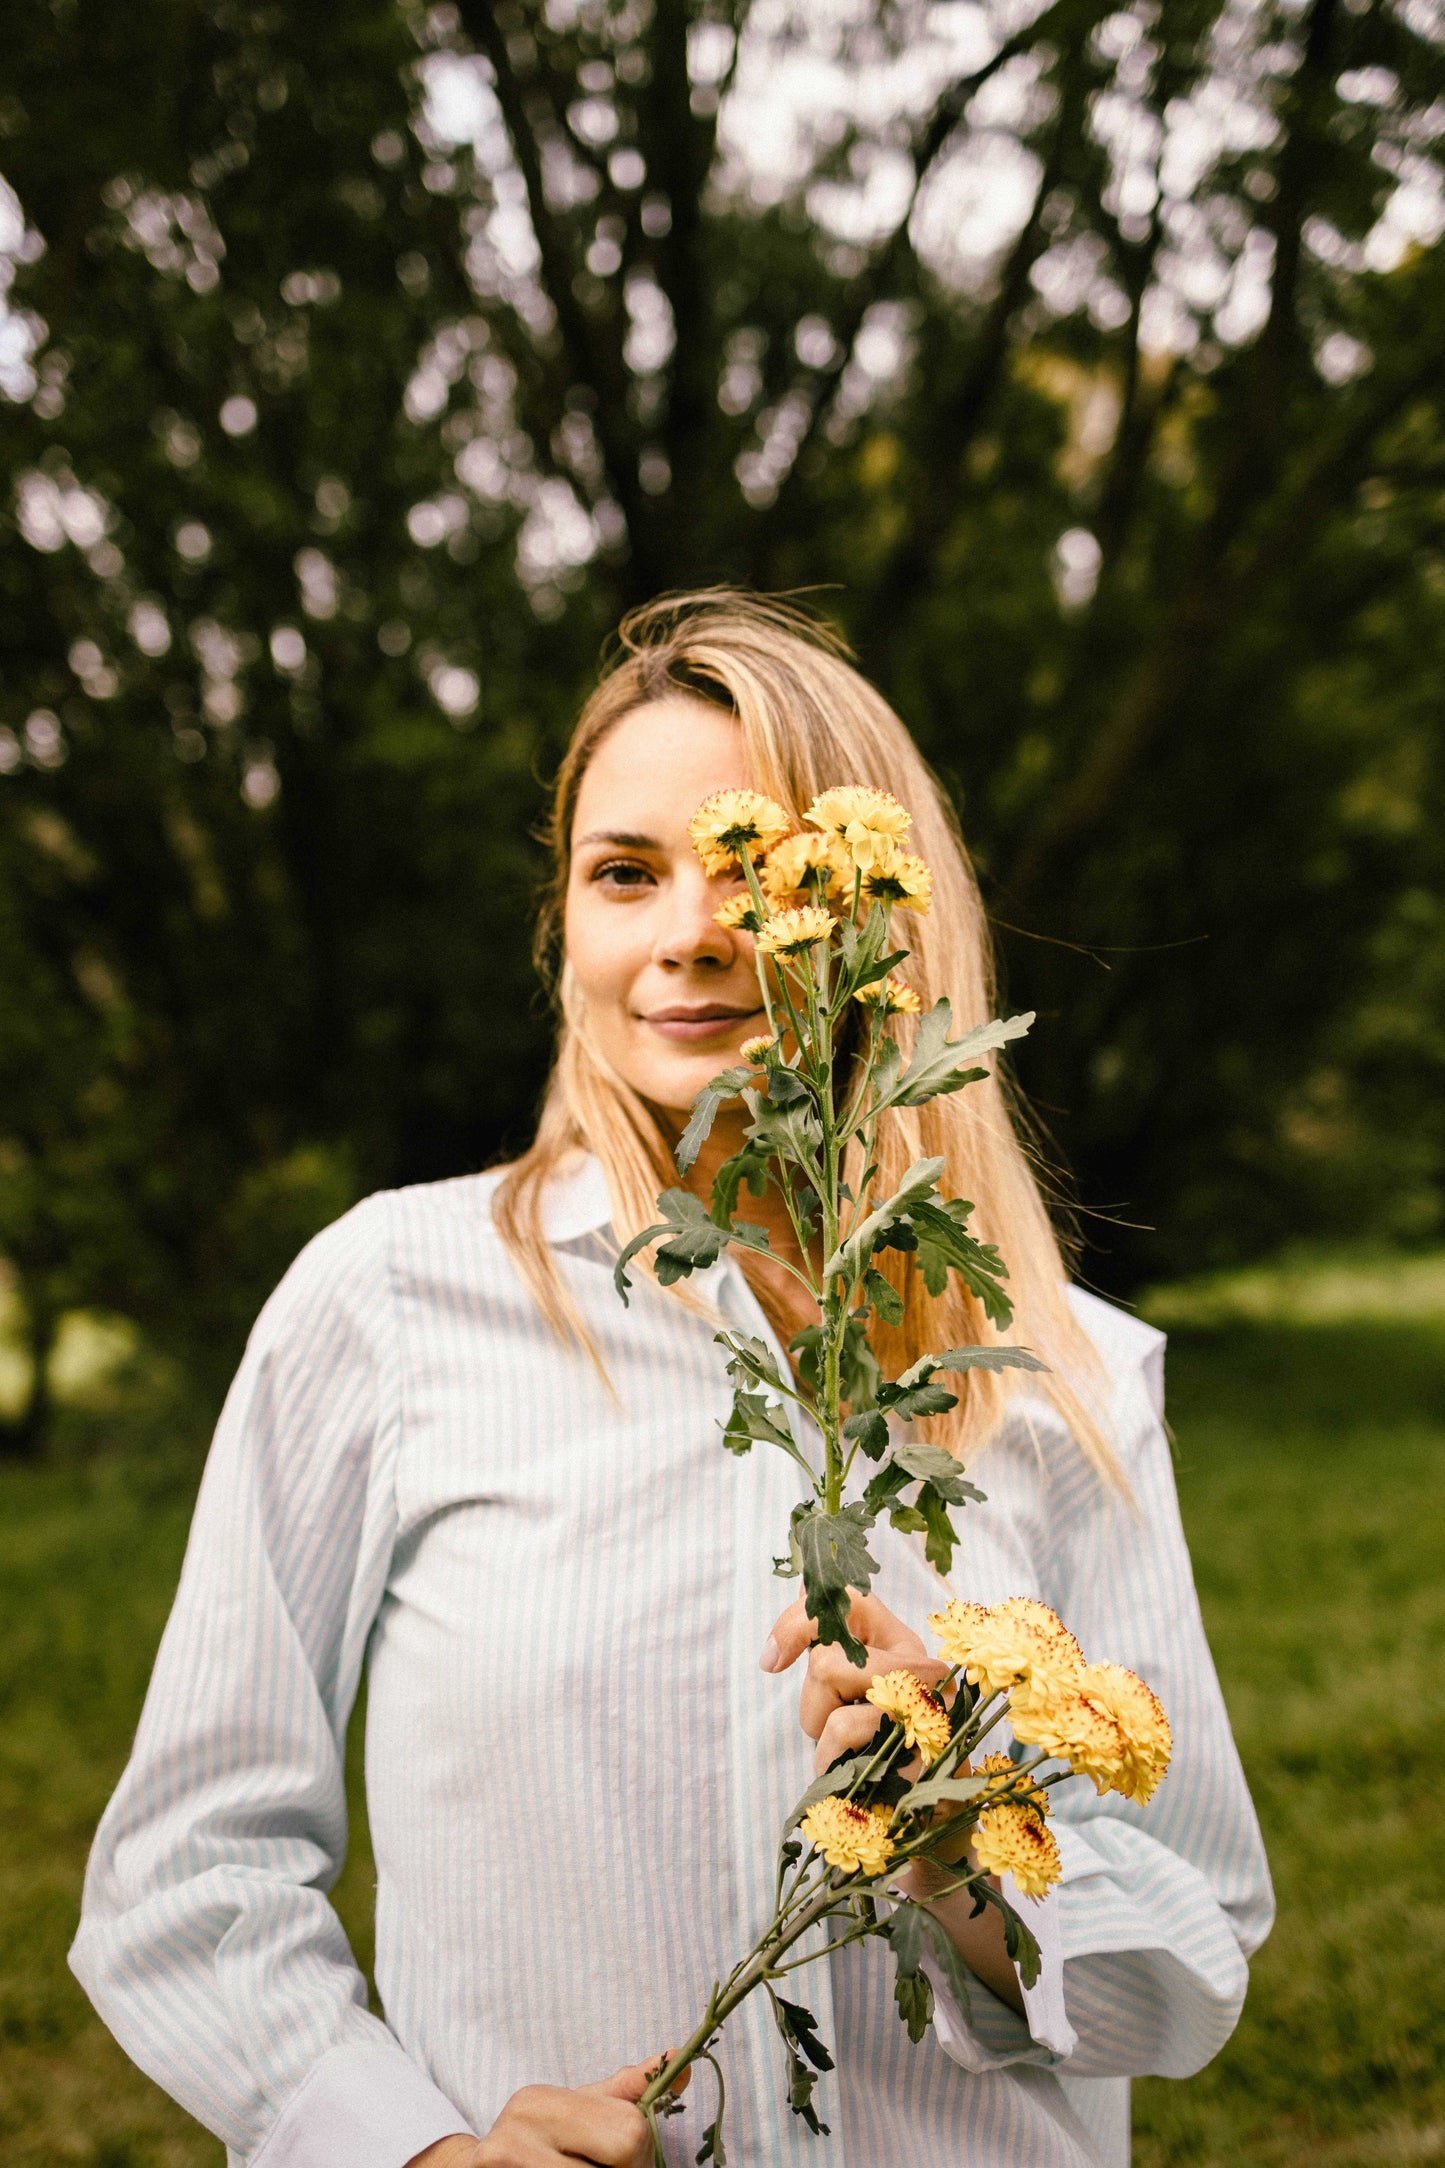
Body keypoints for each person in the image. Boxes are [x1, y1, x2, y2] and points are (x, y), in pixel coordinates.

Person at [71, 593, 1273, 2168]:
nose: (691, 929)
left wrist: (966, 1843)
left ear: (878, 912)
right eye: (625, 871)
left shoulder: (1063, 1371)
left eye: (761, 872)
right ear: (565, 922)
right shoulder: (386, 1303)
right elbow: (192, 1869)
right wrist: (410, 2154)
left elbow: (1189, 1972)